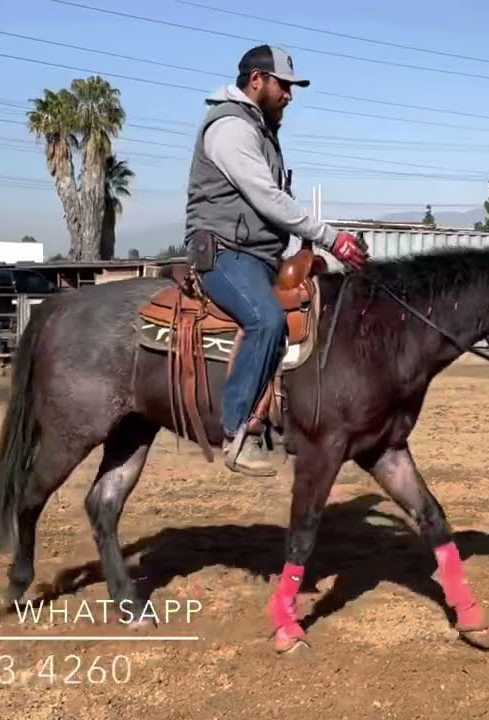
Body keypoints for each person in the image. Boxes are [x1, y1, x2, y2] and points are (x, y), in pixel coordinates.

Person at [184, 44, 369, 476]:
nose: (290, 95)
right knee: (265, 319)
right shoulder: (230, 128)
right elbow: (267, 198)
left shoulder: (261, 129)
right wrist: (328, 238)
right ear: (256, 82)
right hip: (226, 254)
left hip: (257, 256)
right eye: (284, 85)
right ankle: (237, 430)